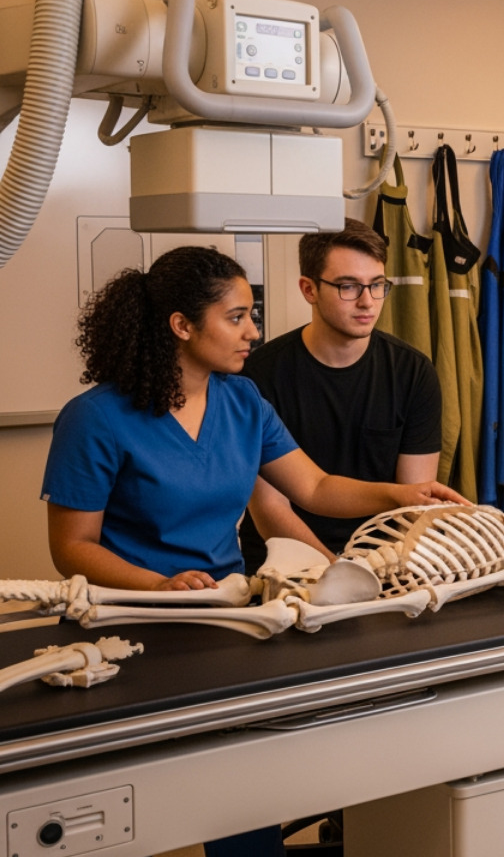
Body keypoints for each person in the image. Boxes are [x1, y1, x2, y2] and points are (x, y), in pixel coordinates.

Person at [41, 246, 465, 857]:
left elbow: (315, 486)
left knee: (242, 800)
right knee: (120, 816)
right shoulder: (95, 418)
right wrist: (156, 586)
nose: (254, 332)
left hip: (227, 620)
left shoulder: (242, 402)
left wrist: (402, 493)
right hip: (131, 627)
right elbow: (71, 548)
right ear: (182, 326)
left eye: (253, 314)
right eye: (236, 317)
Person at [239, 219, 442, 570]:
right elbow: (270, 510)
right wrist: (339, 573)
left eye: (377, 285)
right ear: (309, 289)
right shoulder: (257, 377)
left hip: (384, 564)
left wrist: (376, 573)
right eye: (348, 286)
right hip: (283, 567)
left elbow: (414, 506)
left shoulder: (414, 373)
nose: (367, 302)